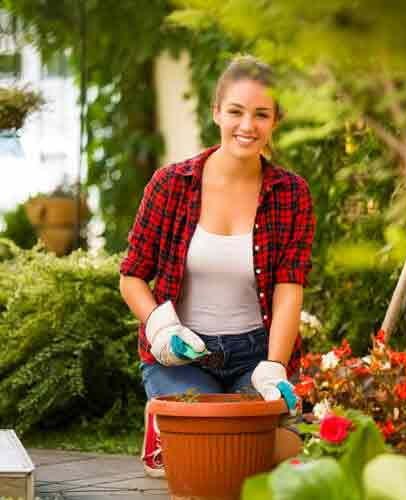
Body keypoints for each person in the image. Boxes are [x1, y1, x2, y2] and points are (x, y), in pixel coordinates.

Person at [119, 56, 316, 477]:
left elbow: (289, 285)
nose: (247, 125)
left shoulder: (291, 193)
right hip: (183, 355)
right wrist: (162, 329)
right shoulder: (171, 185)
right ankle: (168, 426)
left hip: (254, 354)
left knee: (263, 451)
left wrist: (275, 364)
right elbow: (133, 274)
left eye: (261, 114)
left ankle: (182, 432)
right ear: (217, 113)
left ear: (275, 120)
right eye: (236, 111)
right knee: (216, 453)